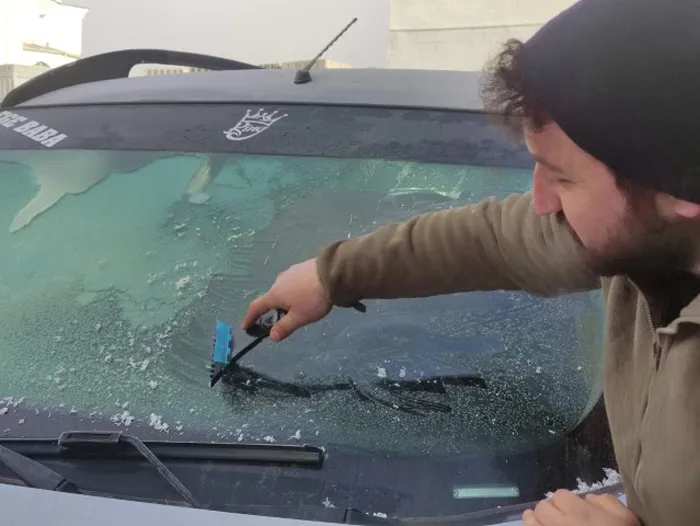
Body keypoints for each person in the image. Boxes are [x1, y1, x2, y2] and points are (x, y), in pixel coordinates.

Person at [241, 0, 700, 525]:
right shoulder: (636, 236)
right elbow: (491, 239)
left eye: (564, 178)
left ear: (679, 187)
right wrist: (331, 274)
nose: (542, 202)